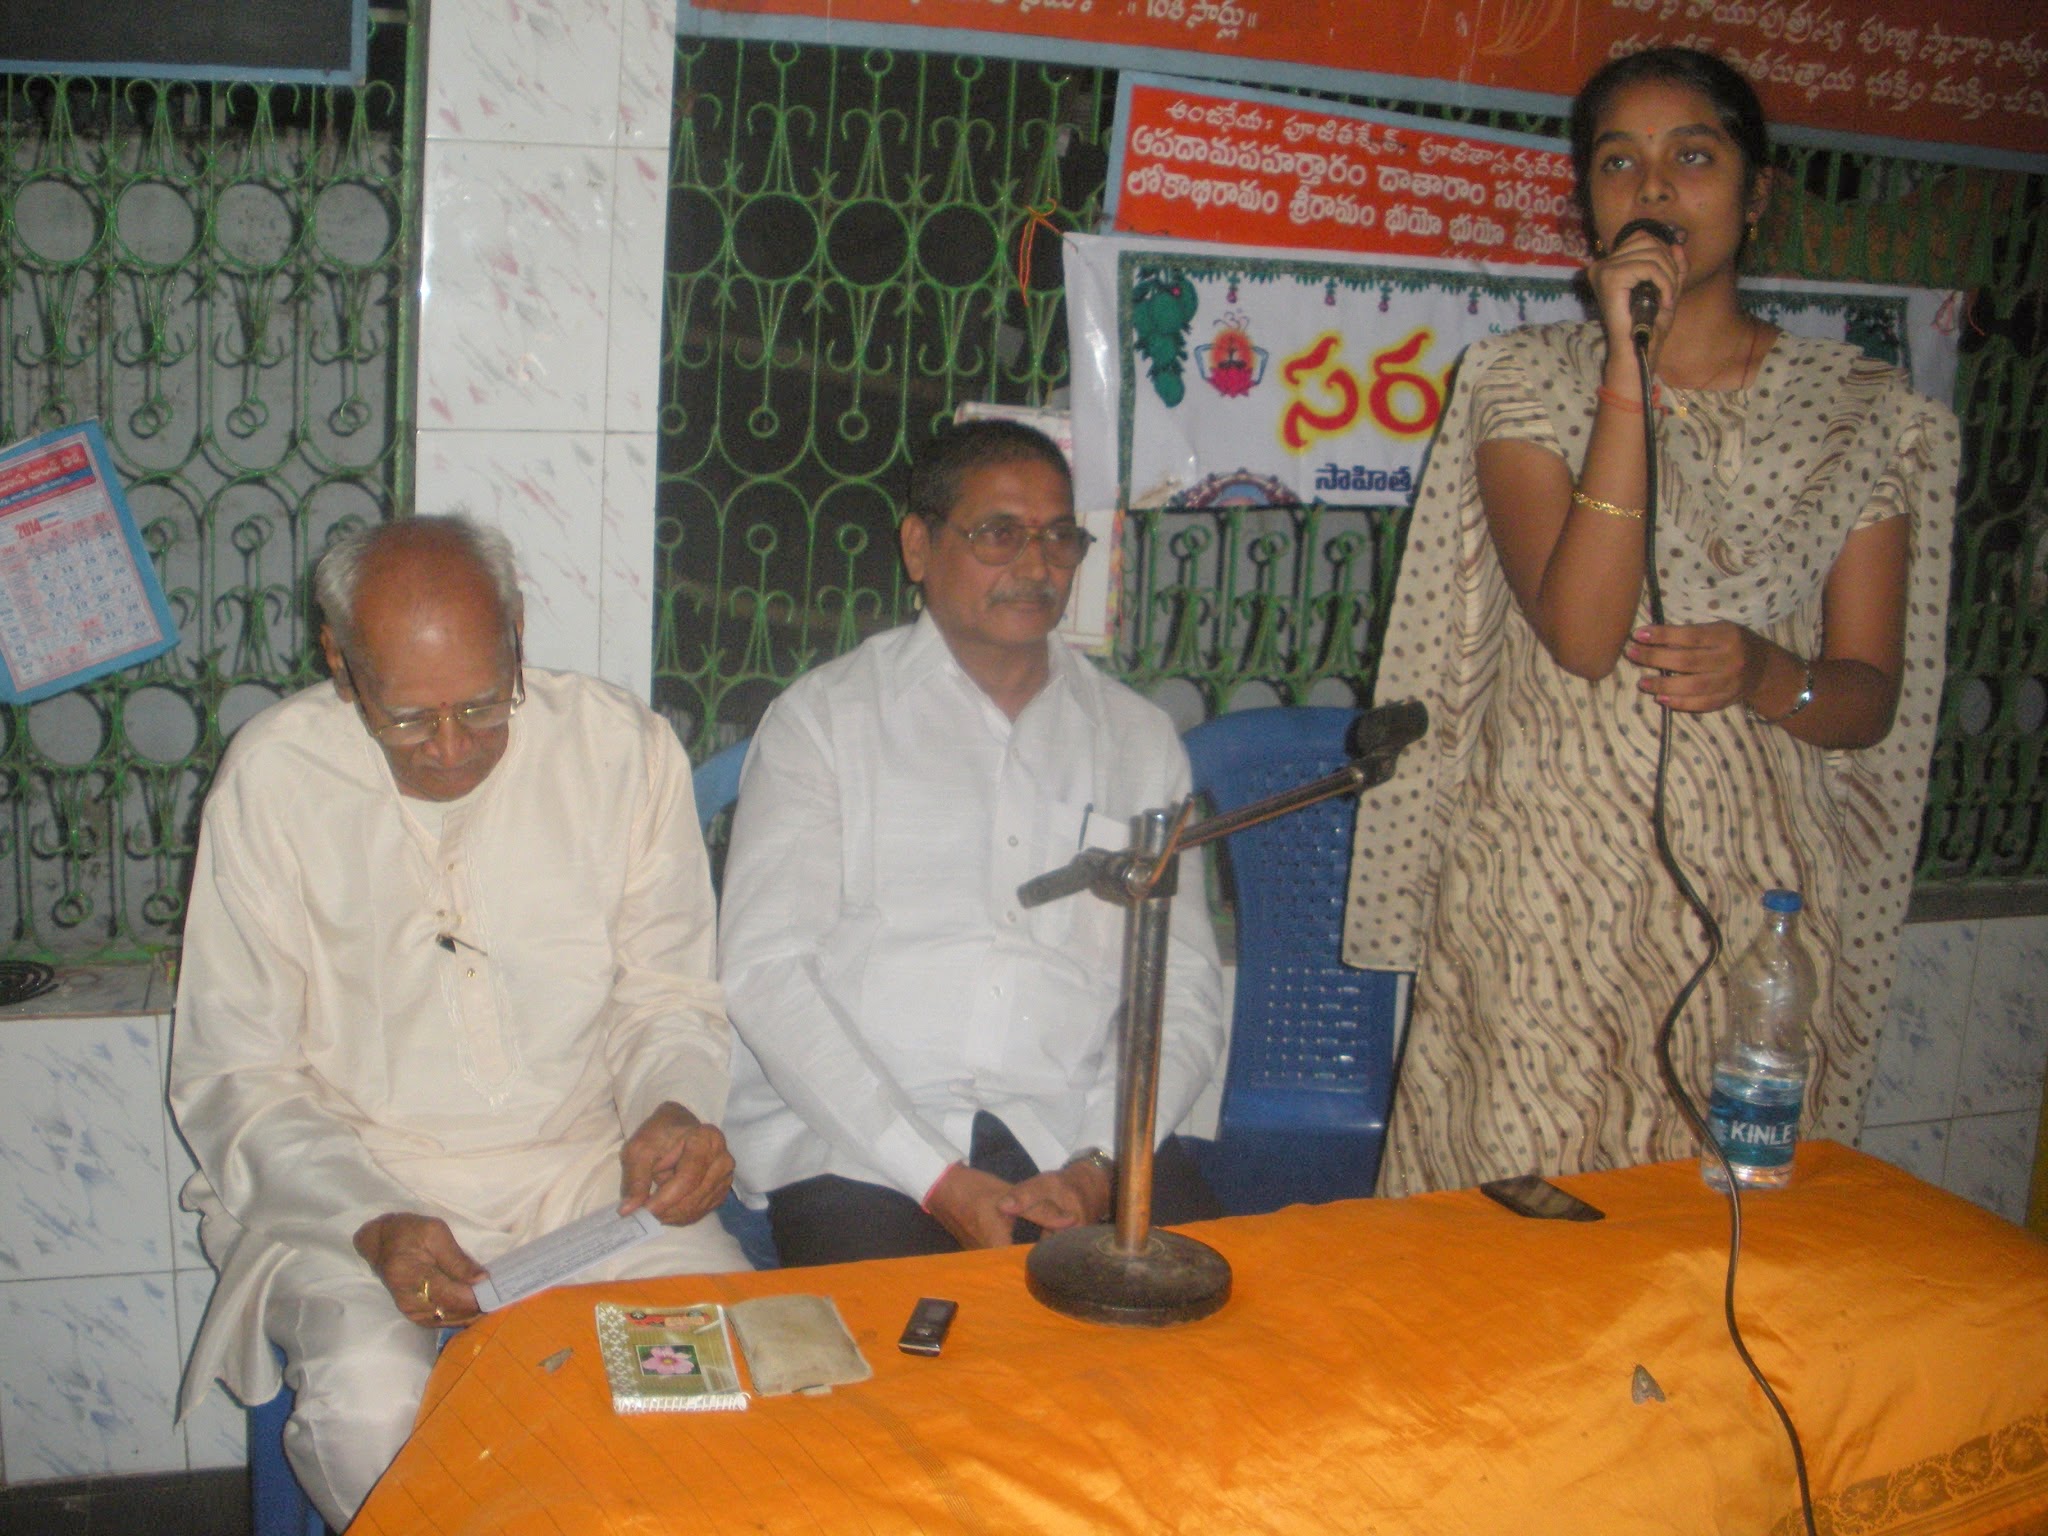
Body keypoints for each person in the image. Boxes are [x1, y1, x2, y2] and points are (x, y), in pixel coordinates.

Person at [1344, 47, 1959, 1197]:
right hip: (1541, 898)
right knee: (1516, 1243)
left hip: (1748, 913)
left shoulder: (1860, 414)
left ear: (1756, 192)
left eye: (1693, 156)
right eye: (1617, 162)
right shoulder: (1520, 380)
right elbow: (1582, 637)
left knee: (1708, 1247)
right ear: (1587, 201)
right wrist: (1626, 372)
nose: (1653, 186)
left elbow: (1867, 699)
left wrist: (1767, 673)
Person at [169, 516, 745, 1528]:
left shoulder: (619, 749)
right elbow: (237, 1074)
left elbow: (666, 994)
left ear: (518, 633)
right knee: (368, 1408)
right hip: (354, 1185)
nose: (450, 749)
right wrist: (370, 1217)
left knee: (712, 1379)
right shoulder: (272, 779)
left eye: (483, 705)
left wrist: (671, 1108)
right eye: (407, 719)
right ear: (339, 662)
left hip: (587, 1169)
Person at [717, 418, 1227, 1266]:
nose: (1036, 565)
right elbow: (766, 975)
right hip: (866, 1151)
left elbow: (1185, 989)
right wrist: (936, 1179)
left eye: (1058, 537)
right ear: (919, 547)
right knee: (921, 1345)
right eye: (999, 534)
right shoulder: (826, 720)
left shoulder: (1137, 741)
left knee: (1219, 1323)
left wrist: (1101, 1166)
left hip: (1078, 1131)